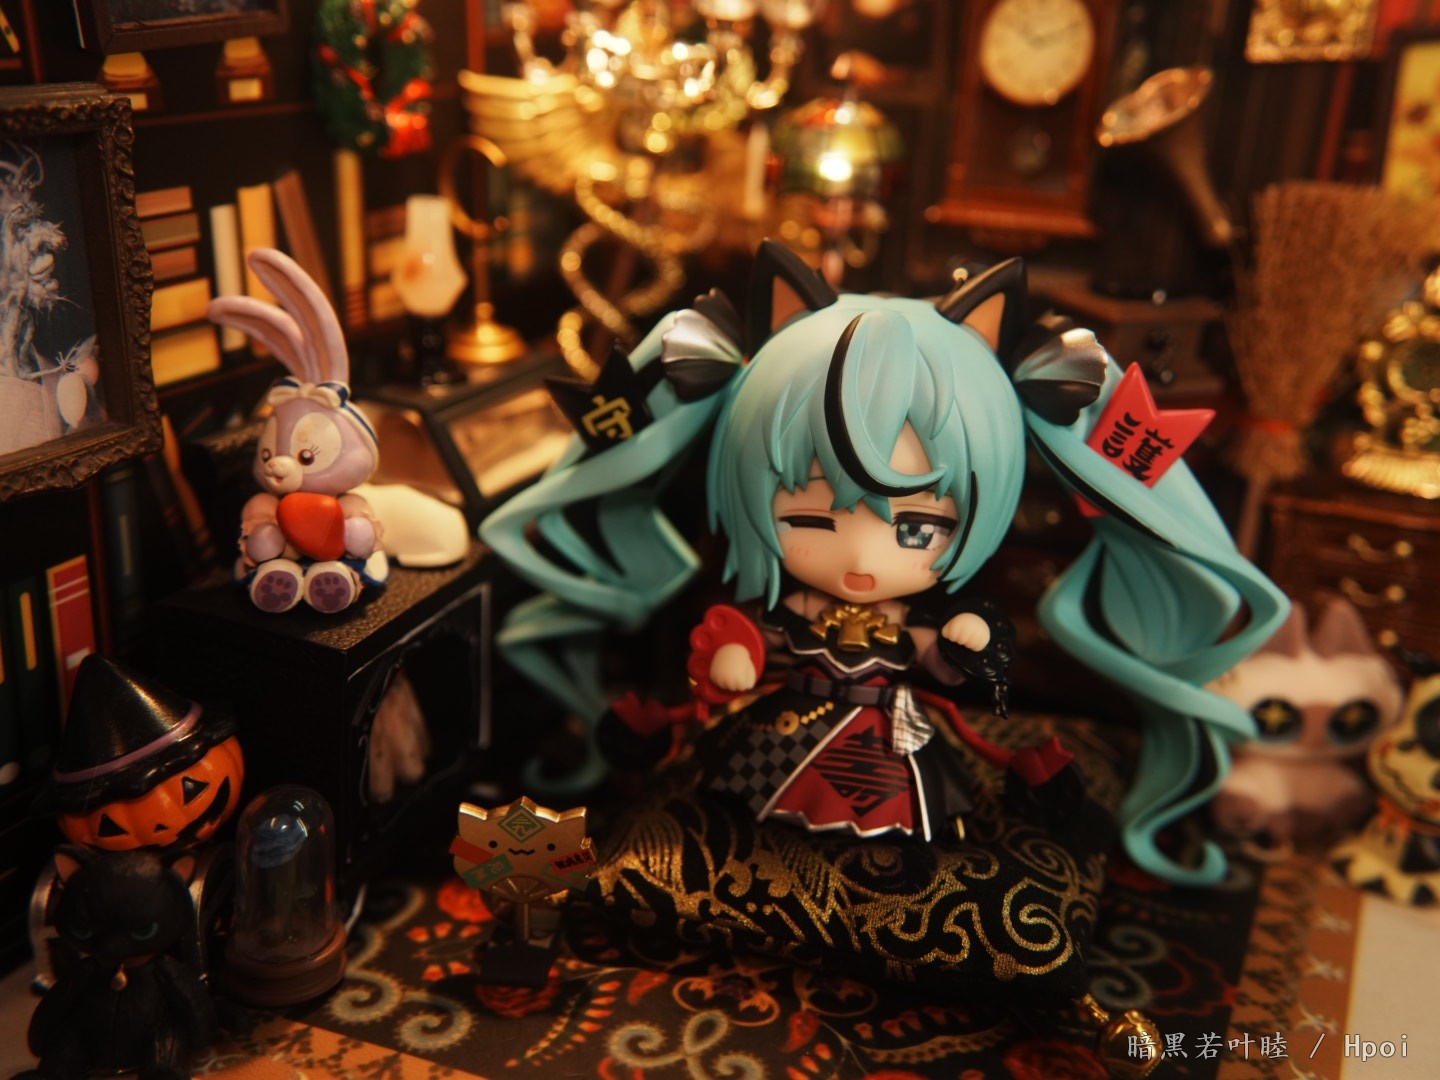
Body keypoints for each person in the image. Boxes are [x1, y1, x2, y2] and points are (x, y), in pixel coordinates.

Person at [481, 241, 1288, 885]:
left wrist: (964, 645)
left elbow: (944, 671)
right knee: (746, 792)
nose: (861, 559)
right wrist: (737, 653)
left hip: (892, 737)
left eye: (917, 528)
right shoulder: (794, 605)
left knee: (908, 809)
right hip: (785, 734)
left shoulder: (912, 616)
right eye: (808, 519)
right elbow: (751, 643)